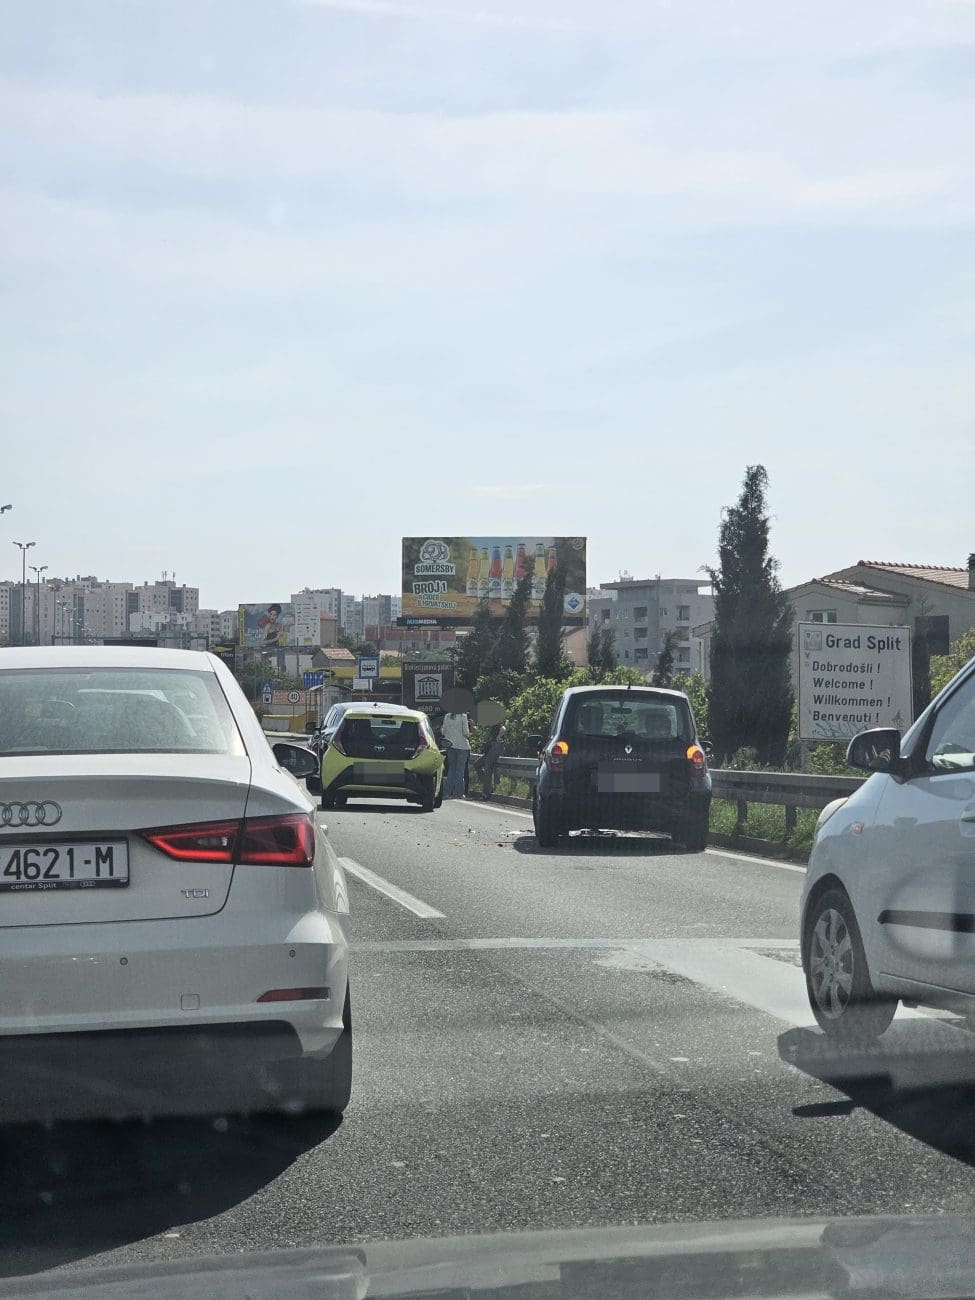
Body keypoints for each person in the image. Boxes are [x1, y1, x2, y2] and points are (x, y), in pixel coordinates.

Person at [441, 709, 471, 798]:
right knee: (460, 771)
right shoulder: (463, 716)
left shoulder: (447, 716)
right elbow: (466, 733)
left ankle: (447, 792)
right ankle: (458, 793)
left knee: (451, 769)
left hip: (450, 745)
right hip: (462, 746)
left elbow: (443, 731)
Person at [473, 723, 506, 801]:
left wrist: (499, 736)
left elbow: (503, 728)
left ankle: (486, 794)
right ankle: (488, 785)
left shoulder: (497, 723)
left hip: (496, 747)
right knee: (477, 764)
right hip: (490, 750)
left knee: (488, 769)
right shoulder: (491, 725)